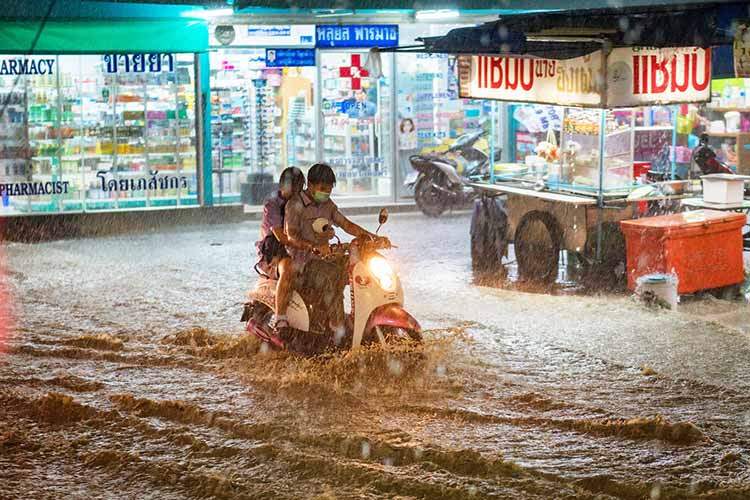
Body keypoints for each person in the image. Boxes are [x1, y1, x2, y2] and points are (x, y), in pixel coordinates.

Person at [284, 163, 385, 337]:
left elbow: (346, 224)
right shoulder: (294, 205)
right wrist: (313, 247)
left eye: (329, 190)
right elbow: (290, 237)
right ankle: (337, 328)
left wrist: (372, 238)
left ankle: (361, 318)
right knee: (332, 276)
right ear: (311, 184)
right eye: (323, 188)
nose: (326, 193)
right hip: (303, 265)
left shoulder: (327, 204)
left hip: (325, 258)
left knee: (362, 268)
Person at [254, 166, 317, 334]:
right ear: (284, 186)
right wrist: (304, 244)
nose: (298, 191)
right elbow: (281, 237)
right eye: (295, 187)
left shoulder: (301, 204)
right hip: (275, 252)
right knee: (288, 268)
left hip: (297, 249)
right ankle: (280, 318)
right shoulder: (273, 204)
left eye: (300, 187)